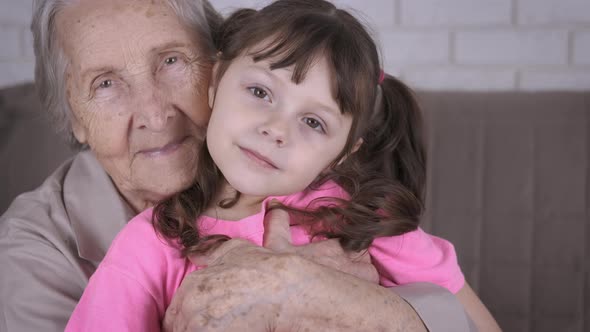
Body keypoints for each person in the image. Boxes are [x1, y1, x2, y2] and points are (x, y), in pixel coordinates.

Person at [0, 0, 480, 331]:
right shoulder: (65, 247)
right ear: (71, 116)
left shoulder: (348, 209)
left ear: (214, 68)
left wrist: (344, 303)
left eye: (170, 61)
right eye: (105, 83)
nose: (154, 113)